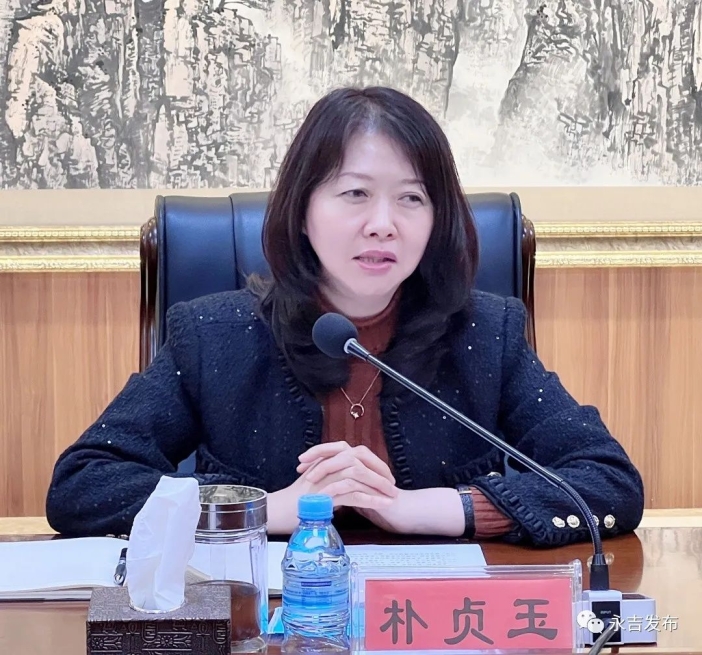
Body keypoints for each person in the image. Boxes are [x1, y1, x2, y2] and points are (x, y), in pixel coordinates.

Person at [45, 86, 644, 545]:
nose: (383, 224)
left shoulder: (487, 334)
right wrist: (261, 508)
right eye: (355, 193)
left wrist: (430, 509)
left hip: (435, 625)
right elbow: (84, 485)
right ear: (302, 211)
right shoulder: (214, 336)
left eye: (412, 198)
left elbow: (609, 482)